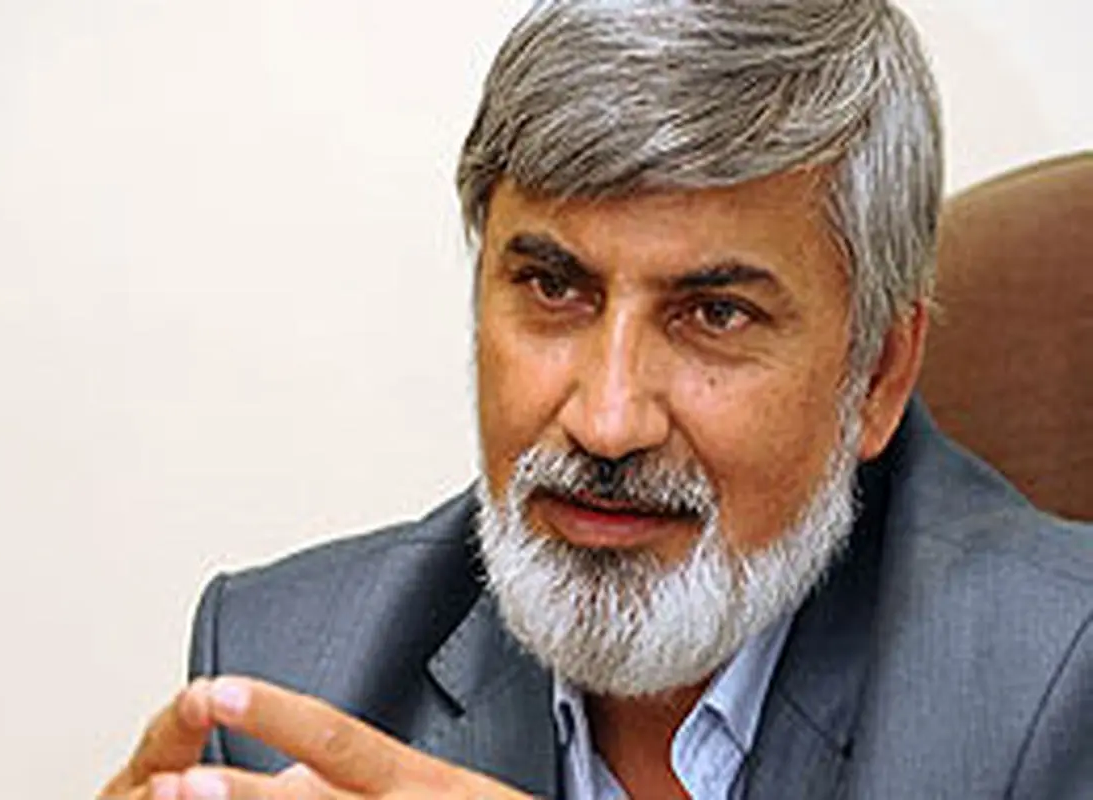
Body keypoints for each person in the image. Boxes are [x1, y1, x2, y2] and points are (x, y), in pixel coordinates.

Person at [101, 0, 1093, 798]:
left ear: (877, 374)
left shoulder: (1062, 682)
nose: (608, 421)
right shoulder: (288, 676)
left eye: (714, 313)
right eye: (552, 287)